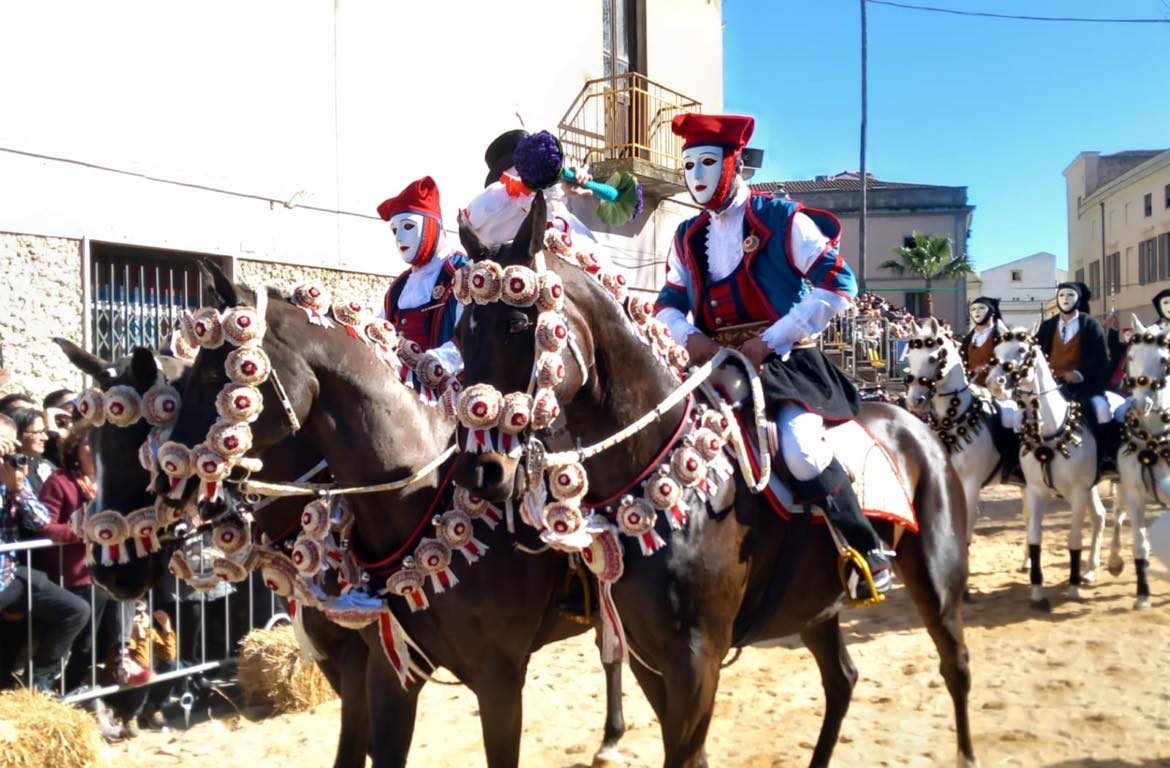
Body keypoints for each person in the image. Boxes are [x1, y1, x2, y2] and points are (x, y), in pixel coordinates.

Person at [653, 112, 890, 601]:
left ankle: (865, 548)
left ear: (732, 164)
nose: (696, 175)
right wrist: (693, 341)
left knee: (799, 448)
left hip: (786, 365)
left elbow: (838, 284)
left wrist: (772, 339)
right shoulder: (684, 237)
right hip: (714, 368)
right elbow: (667, 306)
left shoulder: (784, 219)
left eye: (706, 163)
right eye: (689, 165)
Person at [0, 413, 89, 692]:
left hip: (8, 575)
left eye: (8, 445)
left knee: (75, 611)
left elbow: (40, 520)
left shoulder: (13, 474)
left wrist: (17, 489)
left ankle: (38, 684)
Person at [37, 429, 114, 692]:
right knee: (71, 640)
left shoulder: (112, 480)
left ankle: (71, 688)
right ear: (75, 450)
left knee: (91, 643)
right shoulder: (60, 481)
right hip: (71, 576)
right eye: (89, 443)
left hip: (104, 573)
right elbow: (44, 527)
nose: (96, 449)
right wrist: (84, 531)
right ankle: (46, 688)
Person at [376, 176, 469, 382]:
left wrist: (432, 363)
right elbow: (380, 330)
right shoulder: (399, 287)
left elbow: (469, 339)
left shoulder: (462, 273)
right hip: (399, 391)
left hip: (450, 398)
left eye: (408, 226)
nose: (399, 238)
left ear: (432, 225)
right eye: (394, 230)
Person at [103, 600, 177, 738]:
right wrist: (142, 637)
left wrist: (167, 629)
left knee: (173, 666)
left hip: (141, 687)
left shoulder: (149, 631)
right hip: (121, 689)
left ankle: (153, 707)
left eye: (145, 612)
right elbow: (141, 665)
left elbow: (169, 655)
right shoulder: (124, 639)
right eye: (137, 612)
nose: (143, 616)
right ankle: (129, 715)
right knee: (144, 674)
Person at [8, 407, 56, 496]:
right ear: (18, 434)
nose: (45, 438)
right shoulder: (9, 469)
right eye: (37, 432)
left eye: (44, 432)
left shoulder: (46, 464)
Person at [960, 296, 1002, 387]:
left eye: (981, 308)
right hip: (971, 386)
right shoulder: (968, 339)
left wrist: (988, 367)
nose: (977, 311)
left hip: (996, 386)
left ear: (992, 312)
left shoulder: (1001, 336)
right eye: (973, 309)